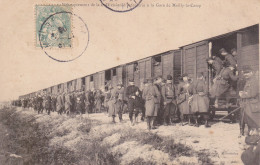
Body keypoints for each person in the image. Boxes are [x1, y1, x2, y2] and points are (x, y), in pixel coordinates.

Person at [239, 66, 260, 136]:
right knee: (246, 119)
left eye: (247, 73)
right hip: (247, 104)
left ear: (252, 72)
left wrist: (242, 94)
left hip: (252, 104)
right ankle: (247, 134)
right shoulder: (249, 81)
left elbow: (253, 93)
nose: (245, 74)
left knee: (252, 121)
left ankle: (252, 136)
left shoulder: (254, 81)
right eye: (244, 73)